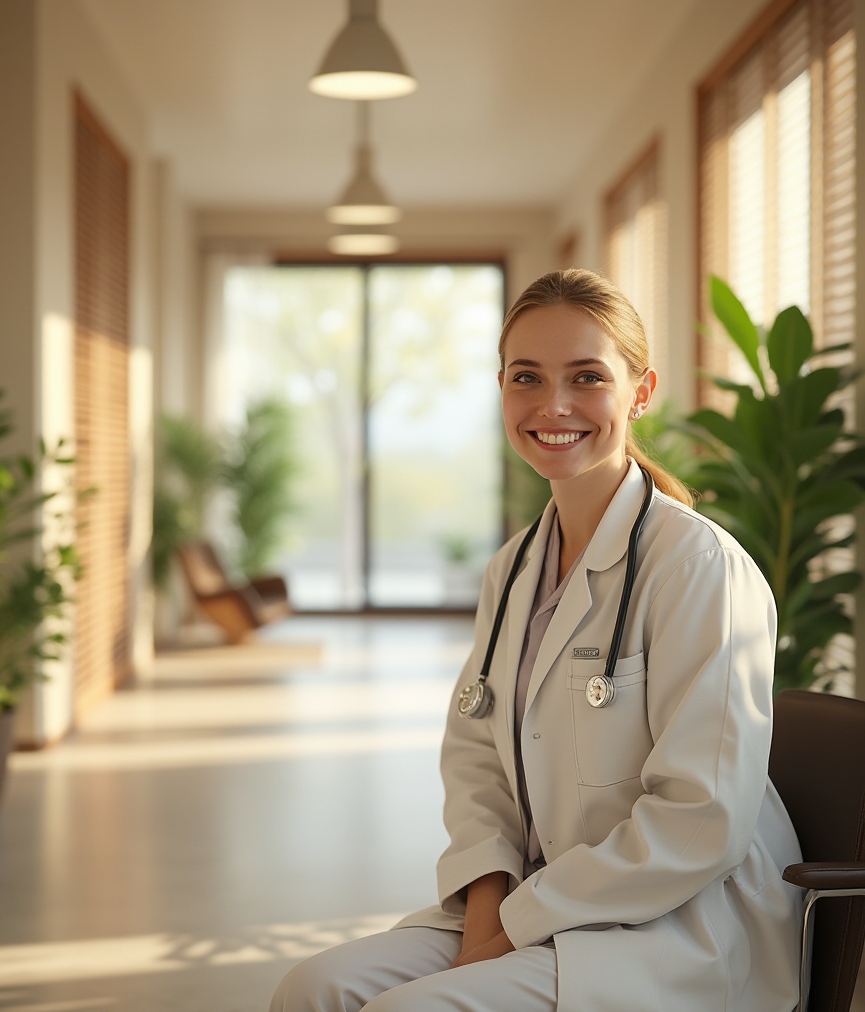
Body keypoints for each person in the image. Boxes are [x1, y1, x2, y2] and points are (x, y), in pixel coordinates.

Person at [269, 269, 803, 1012]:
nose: (554, 406)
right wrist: (489, 910)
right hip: (531, 901)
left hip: (676, 923)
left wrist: (518, 923)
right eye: (528, 377)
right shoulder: (514, 568)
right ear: (501, 389)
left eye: (587, 377)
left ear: (640, 392)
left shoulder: (699, 569)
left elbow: (700, 819)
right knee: (312, 989)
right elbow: (478, 760)